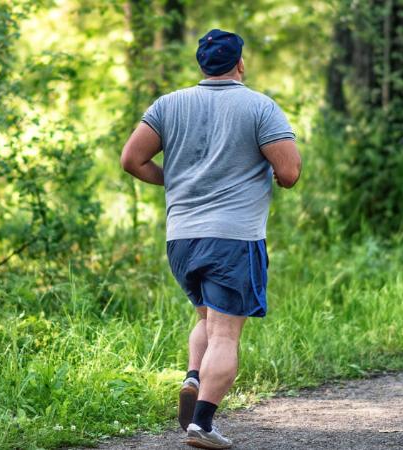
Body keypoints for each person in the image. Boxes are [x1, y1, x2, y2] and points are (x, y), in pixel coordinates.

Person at [120, 29, 301, 449]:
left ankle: (193, 376)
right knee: (225, 333)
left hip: (182, 238)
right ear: (240, 63)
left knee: (206, 317)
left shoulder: (168, 104)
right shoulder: (259, 106)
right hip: (233, 238)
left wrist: (177, 182)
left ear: (202, 64)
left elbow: (132, 159)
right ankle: (202, 424)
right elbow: (289, 173)